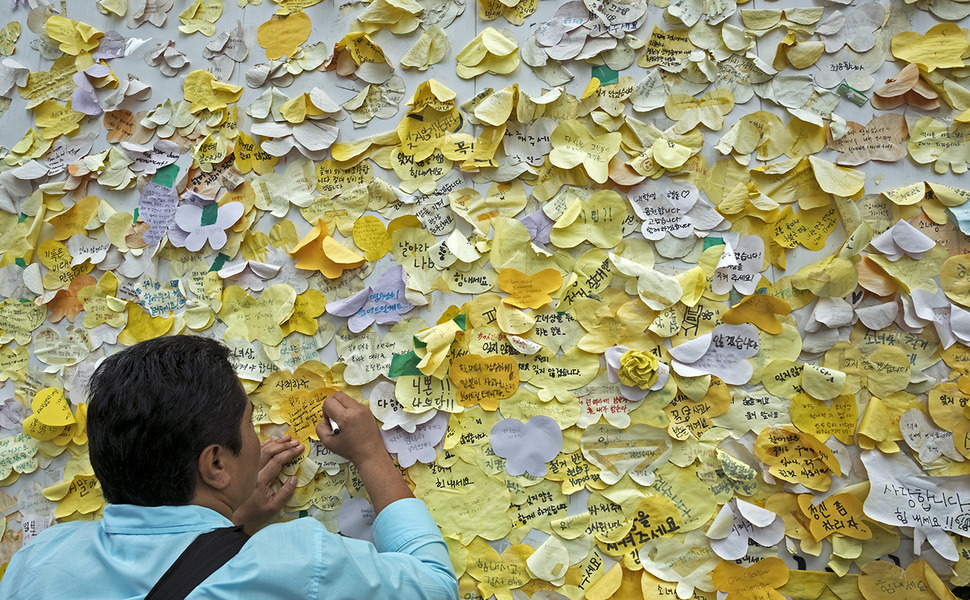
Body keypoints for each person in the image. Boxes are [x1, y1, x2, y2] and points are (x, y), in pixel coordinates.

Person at [0, 335, 459, 599]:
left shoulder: (37, 563)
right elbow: (437, 589)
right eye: (249, 423)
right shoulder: (292, 564)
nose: (258, 439)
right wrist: (370, 455)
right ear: (215, 463)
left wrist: (228, 523)